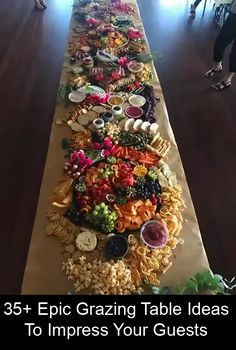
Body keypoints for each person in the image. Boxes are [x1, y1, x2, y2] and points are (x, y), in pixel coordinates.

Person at [205, 0, 236, 90]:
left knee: (235, 54)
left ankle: (227, 80)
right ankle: (218, 66)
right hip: (234, 15)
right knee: (219, 43)